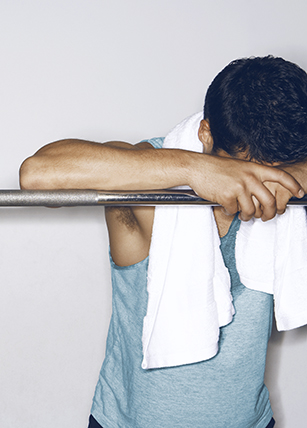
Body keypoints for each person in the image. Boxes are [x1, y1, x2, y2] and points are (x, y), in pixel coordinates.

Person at [19, 56, 307, 427]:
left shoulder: (292, 184)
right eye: (242, 170)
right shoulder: (144, 177)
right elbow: (37, 174)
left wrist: (296, 175)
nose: (256, 190)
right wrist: (193, 168)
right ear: (206, 134)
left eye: (272, 175)